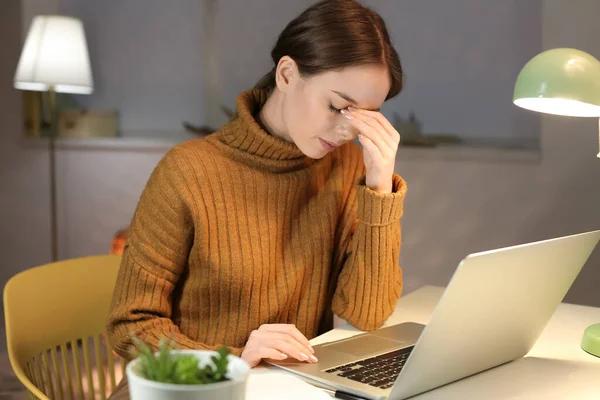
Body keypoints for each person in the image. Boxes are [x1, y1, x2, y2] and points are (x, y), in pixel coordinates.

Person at [107, 0, 406, 395]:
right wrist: (230, 360)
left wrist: (380, 191)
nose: (347, 131)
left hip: (287, 391)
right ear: (286, 73)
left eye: (365, 116)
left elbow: (366, 314)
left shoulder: (348, 168)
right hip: (192, 390)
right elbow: (130, 326)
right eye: (337, 106)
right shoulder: (188, 171)